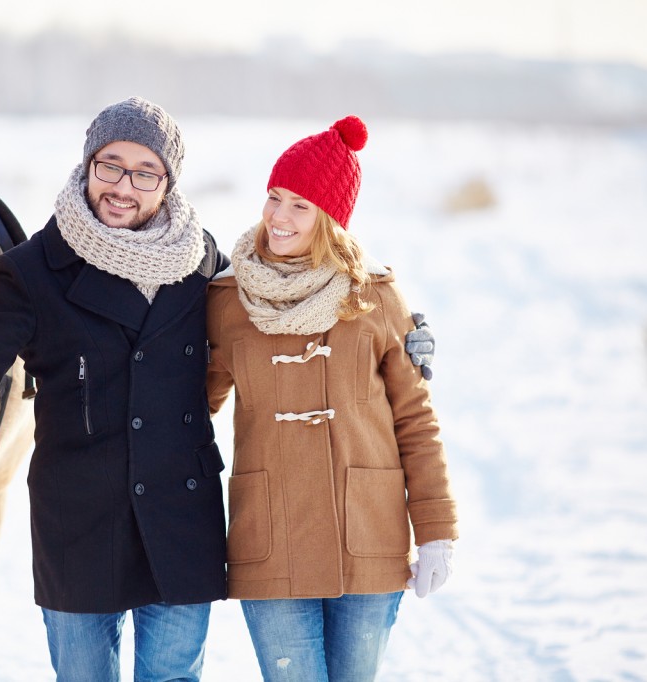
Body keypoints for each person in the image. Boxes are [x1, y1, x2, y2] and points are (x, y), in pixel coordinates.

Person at [0, 99, 436, 681]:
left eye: (144, 172)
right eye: (109, 165)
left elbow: (290, 307)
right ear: (86, 167)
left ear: (167, 182)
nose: (123, 187)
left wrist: (402, 329)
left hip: (180, 522)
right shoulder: (29, 273)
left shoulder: (202, 264)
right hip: (79, 521)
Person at [205, 115, 458, 682]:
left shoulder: (376, 297)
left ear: (331, 216)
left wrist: (437, 530)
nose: (279, 216)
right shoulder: (226, 299)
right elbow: (191, 409)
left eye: (300, 204)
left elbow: (416, 421)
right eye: (274, 197)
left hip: (369, 532)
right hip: (269, 537)